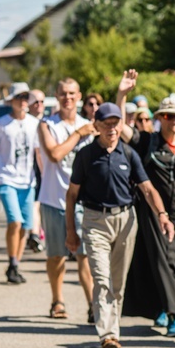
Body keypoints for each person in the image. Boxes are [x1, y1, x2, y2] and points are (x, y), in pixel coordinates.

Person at [65, 102, 174, 348]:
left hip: (125, 220)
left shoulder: (127, 153)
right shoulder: (86, 155)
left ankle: (112, 331)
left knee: (118, 282)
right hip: (94, 221)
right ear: (97, 126)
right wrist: (70, 231)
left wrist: (162, 215)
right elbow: (71, 195)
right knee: (102, 279)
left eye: (116, 123)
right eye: (107, 123)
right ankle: (108, 335)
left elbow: (147, 188)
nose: (112, 128)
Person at [118, 71, 175, 337]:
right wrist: (122, 94)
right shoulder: (147, 141)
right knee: (164, 260)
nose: (173, 122)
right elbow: (123, 130)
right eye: (167, 116)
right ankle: (173, 316)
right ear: (159, 119)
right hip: (156, 214)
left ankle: (161, 305)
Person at [38, 78, 97, 321]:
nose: (68, 98)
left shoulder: (88, 125)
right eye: (63, 93)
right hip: (53, 200)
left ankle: (93, 307)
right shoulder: (46, 125)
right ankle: (57, 300)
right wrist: (77, 134)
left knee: (85, 256)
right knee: (56, 256)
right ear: (57, 95)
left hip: (82, 202)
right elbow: (54, 154)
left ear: (79, 95)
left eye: (72, 93)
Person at [0, 82, 41, 284]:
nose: (23, 101)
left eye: (27, 97)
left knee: (25, 226)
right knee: (14, 221)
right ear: (13, 101)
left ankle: (15, 264)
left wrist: (44, 177)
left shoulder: (34, 123)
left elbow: (38, 153)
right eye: (20, 97)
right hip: (6, 178)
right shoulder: (1, 124)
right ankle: (12, 261)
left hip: (28, 181)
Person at [27, 88, 47, 254]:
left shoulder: (47, 121)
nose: (39, 105)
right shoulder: (25, 121)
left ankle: (36, 233)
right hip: (29, 168)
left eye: (41, 101)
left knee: (38, 203)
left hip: (44, 167)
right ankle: (33, 233)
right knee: (34, 203)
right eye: (35, 102)